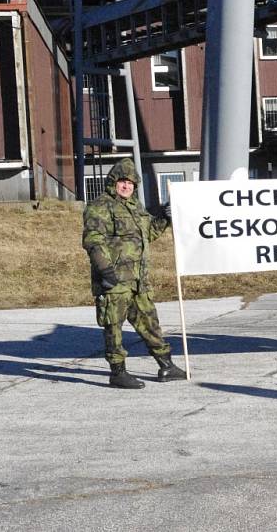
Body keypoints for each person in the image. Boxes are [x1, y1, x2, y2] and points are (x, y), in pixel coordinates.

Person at [82, 158, 186, 389]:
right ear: (113, 182)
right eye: (122, 181)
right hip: (115, 282)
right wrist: (106, 271)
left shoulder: (136, 208)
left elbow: (149, 233)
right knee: (114, 327)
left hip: (138, 281)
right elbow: (93, 241)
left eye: (130, 183)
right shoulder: (100, 206)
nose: (126, 186)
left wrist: (165, 216)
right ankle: (118, 373)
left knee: (150, 323)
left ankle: (166, 366)